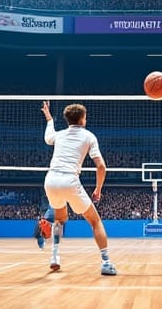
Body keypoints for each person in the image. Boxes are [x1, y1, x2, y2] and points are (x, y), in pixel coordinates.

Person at [41, 101, 116, 275]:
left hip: (51, 180)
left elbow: (47, 138)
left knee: (60, 219)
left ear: (67, 120)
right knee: (95, 221)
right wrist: (98, 189)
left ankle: (54, 257)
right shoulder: (89, 136)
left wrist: (49, 119)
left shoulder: (59, 135)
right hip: (69, 180)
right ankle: (106, 262)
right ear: (83, 119)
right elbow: (101, 167)